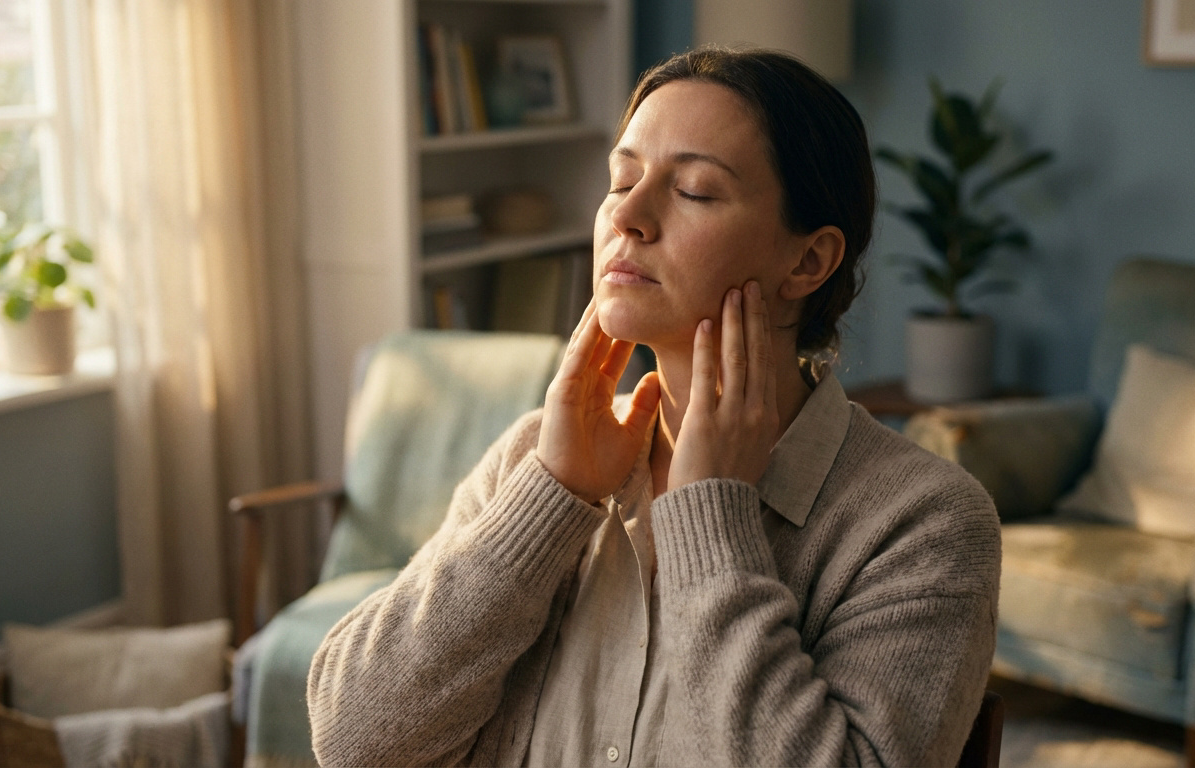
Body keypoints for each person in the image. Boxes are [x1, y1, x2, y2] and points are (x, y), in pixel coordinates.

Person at [307, 47, 1000, 767]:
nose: (629, 217)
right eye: (622, 179)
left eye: (695, 191)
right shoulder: (535, 457)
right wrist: (551, 501)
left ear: (808, 262)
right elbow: (354, 743)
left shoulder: (925, 522)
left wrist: (711, 515)